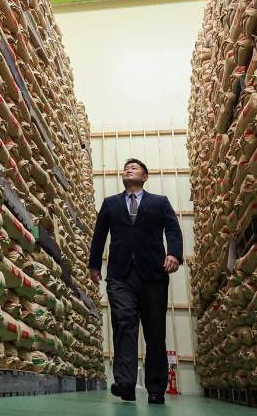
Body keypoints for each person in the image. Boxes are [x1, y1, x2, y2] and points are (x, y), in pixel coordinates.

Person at [89, 157, 183, 404]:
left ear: (145, 176)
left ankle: (155, 388)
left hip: (153, 275)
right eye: (126, 168)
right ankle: (125, 384)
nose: (128, 169)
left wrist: (174, 253)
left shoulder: (159, 203)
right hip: (121, 276)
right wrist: (94, 264)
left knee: (155, 332)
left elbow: (173, 230)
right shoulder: (110, 204)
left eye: (135, 168)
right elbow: (99, 235)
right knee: (124, 325)